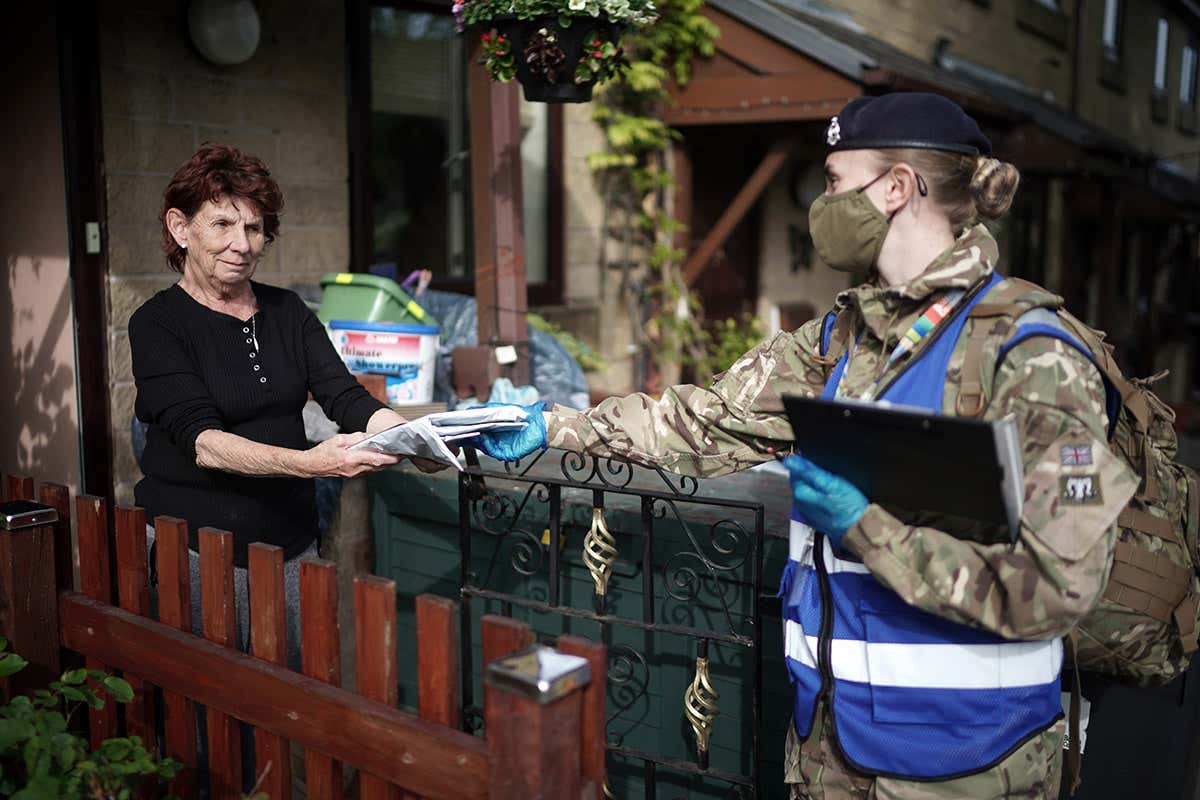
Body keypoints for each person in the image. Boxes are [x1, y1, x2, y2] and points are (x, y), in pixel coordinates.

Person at [472, 93, 1138, 799]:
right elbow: (704, 423)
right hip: (828, 748)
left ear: (897, 188)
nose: (822, 204)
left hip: (967, 767)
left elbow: (1064, 588)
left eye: (833, 182)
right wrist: (556, 426)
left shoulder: (1037, 355)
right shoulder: (840, 339)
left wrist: (864, 525)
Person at [130, 142, 417, 667]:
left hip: (288, 550)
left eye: (255, 228)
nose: (242, 244)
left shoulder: (288, 312)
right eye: (222, 224)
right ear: (179, 228)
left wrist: (412, 436)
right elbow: (205, 444)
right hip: (195, 553)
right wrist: (311, 464)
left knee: (284, 703)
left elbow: (345, 395)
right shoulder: (157, 325)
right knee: (205, 708)